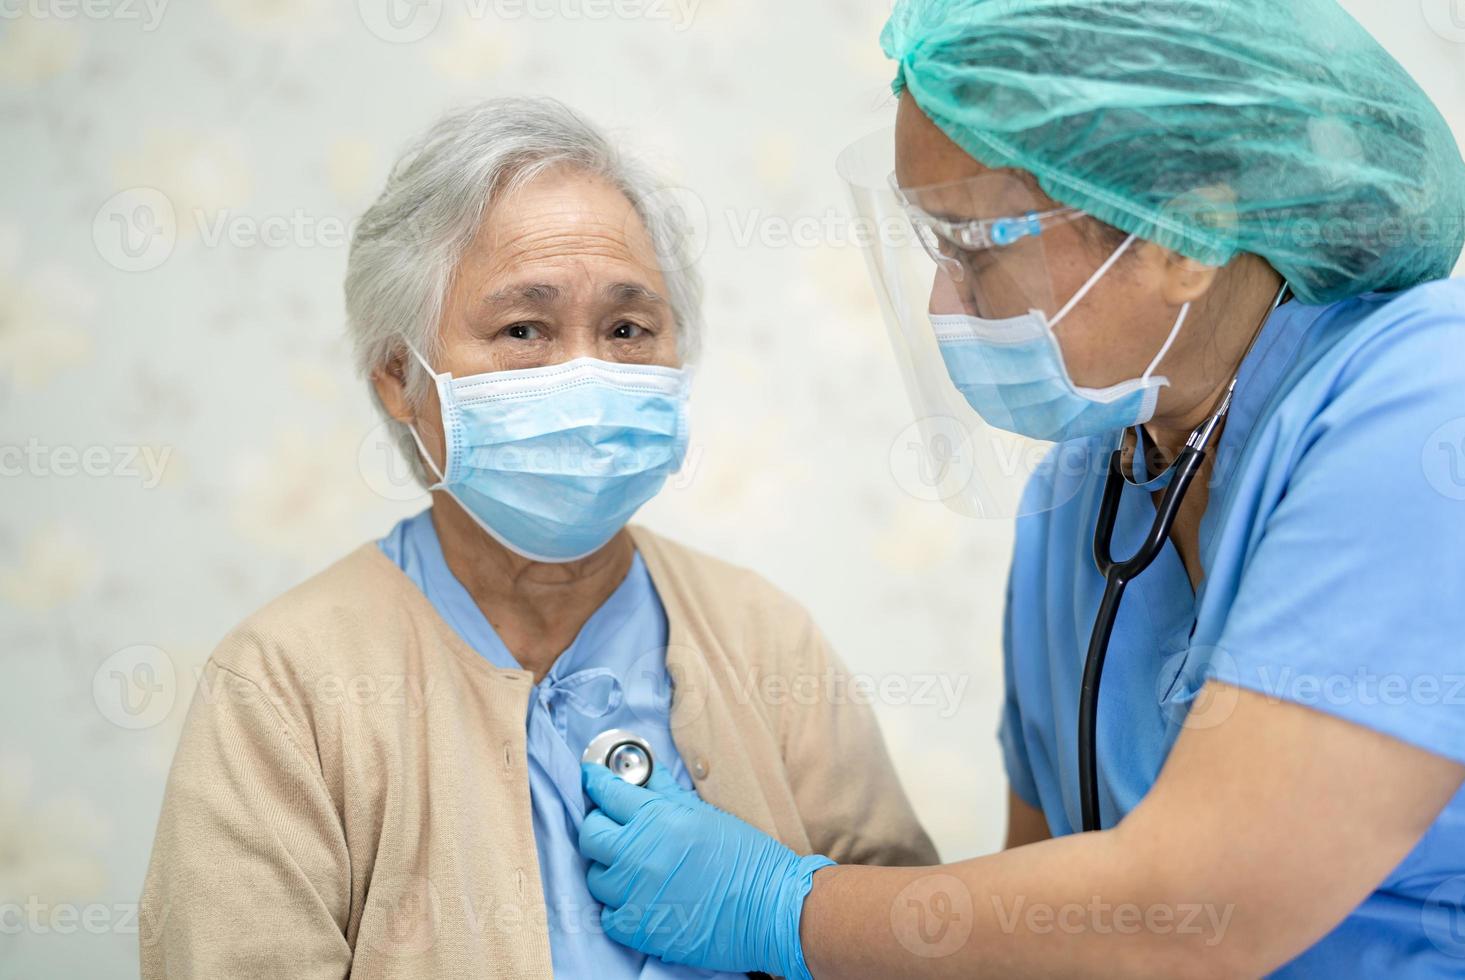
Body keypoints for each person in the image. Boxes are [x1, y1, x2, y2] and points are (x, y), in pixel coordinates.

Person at [574, 1, 1465, 976]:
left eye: (976, 248)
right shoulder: (1084, 496)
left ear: (1186, 235)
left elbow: (1196, 915)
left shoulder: (1421, 406)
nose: (942, 303)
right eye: (933, 248)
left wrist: (784, 908)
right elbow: (1037, 921)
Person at [138, 96, 936, 980]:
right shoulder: (282, 693)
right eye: (524, 328)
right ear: (402, 377)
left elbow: (919, 942)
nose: (588, 373)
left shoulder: (763, 639)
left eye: (628, 329)